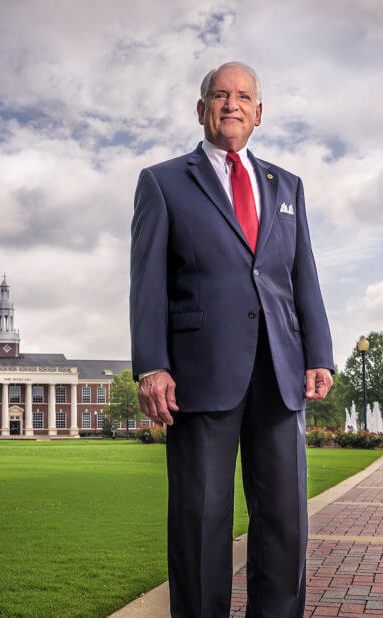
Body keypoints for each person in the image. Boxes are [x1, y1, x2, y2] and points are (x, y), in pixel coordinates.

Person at [129, 62, 334, 617]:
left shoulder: (286, 186)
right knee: (202, 522)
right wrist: (152, 365)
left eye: (244, 96)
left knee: (286, 522)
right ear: (201, 110)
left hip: (280, 370)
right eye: (219, 95)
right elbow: (146, 280)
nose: (231, 104)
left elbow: (302, 274)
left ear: (259, 113)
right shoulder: (163, 181)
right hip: (200, 373)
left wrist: (319, 353)